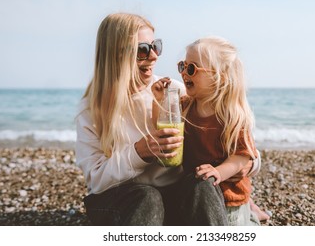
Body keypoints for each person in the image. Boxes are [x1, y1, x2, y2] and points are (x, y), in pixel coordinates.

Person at [75, 13, 258, 225]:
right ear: (115, 55)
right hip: (124, 200)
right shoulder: (91, 109)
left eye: (156, 46)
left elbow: (237, 139)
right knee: (147, 197)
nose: (154, 56)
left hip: (173, 195)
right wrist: (140, 152)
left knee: (203, 184)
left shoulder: (173, 91)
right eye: (143, 50)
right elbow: (96, 180)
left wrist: (245, 166)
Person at [152, 36, 267, 225]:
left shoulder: (232, 115)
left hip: (229, 198)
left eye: (192, 69)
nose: (184, 74)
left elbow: (241, 157)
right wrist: (159, 100)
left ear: (219, 76)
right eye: (183, 66)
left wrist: (219, 172)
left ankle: (252, 218)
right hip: (196, 193)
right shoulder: (185, 107)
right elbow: (164, 126)